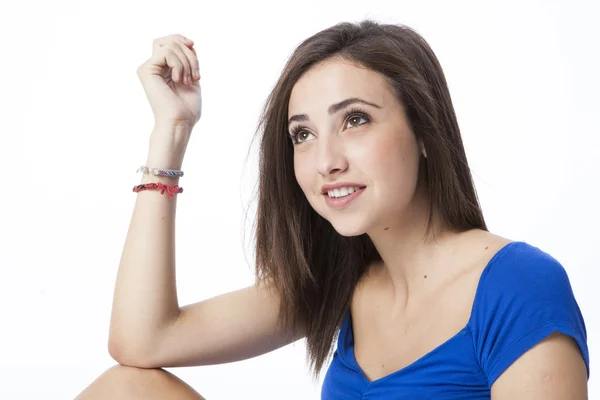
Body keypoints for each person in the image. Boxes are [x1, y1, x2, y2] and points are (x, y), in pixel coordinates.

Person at [76, 20, 589, 399]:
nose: (326, 162)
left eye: (356, 120)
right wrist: (171, 133)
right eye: (303, 134)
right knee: (128, 389)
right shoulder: (340, 281)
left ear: (425, 132)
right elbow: (142, 342)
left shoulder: (518, 285)